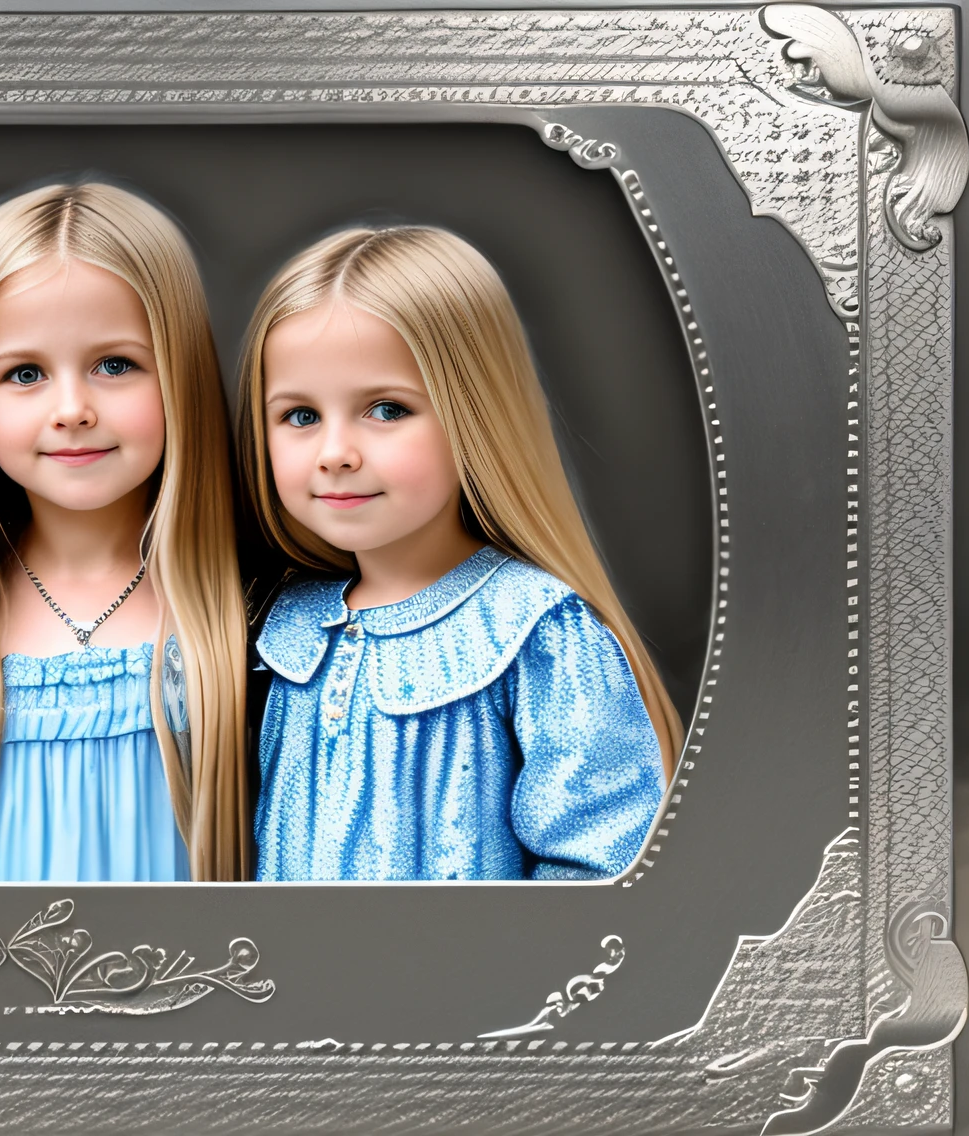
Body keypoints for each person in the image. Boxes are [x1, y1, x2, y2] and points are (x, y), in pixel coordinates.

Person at [239, 225, 677, 882]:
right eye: (300, 416)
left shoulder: (535, 627)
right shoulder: (282, 626)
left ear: (472, 414)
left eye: (386, 409)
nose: (335, 453)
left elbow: (598, 863)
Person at [0, 181, 248, 883]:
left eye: (114, 365)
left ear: (180, 375)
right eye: (24, 373)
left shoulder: (256, 615)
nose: (71, 409)